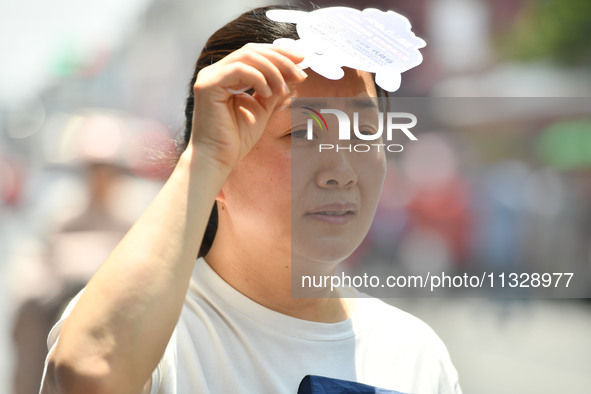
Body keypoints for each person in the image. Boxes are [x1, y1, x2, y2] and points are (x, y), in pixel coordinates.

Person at [40, 5, 461, 394]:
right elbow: (87, 371)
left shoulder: (414, 354)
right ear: (220, 160)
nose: (342, 171)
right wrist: (202, 160)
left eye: (366, 132)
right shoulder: (157, 332)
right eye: (301, 133)